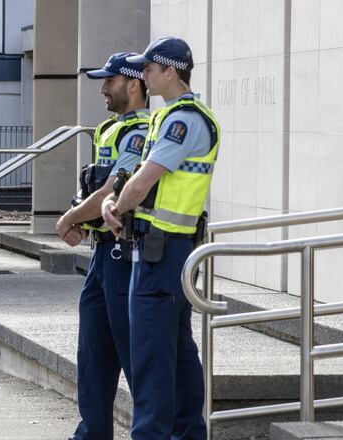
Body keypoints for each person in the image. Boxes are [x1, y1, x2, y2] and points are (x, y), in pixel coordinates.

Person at [102, 37, 219, 439]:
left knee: (151, 357)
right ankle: (188, 433)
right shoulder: (167, 117)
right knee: (178, 354)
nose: (144, 77)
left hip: (163, 250)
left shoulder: (182, 119)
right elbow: (134, 182)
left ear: (170, 71)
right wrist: (114, 204)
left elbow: (144, 181)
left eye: (149, 69)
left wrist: (114, 209)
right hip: (161, 248)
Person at [55, 52, 149, 440]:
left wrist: (69, 219)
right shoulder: (111, 128)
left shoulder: (140, 131)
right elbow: (94, 188)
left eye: (108, 81)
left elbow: (116, 189)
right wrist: (81, 214)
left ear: (132, 84)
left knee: (134, 356)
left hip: (127, 255)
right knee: (93, 356)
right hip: (103, 253)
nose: (102, 88)